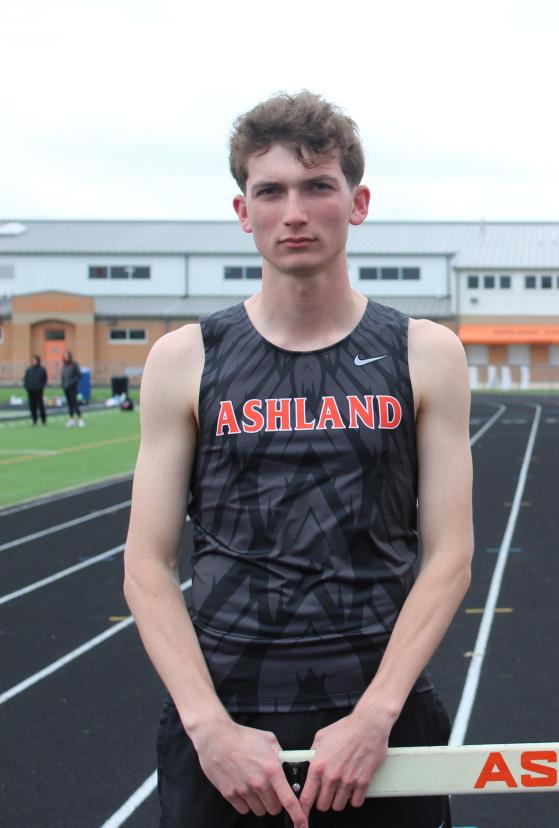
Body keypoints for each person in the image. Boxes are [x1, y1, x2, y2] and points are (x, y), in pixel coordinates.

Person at [123, 91, 474, 828]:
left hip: (380, 728)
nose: (295, 212)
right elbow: (147, 565)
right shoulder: (186, 359)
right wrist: (208, 728)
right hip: (224, 729)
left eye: (318, 186)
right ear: (242, 211)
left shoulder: (425, 354)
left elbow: (450, 555)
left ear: (358, 201)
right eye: (271, 191)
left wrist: (374, 718)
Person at [61, 350, 84, 427]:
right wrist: (63, 384)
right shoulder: (64, 365)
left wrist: (72, 382)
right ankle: (71, 419)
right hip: (66, 388)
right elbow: (63, 376)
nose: (66, 358)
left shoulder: (74, 365)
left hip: (73, 388)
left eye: (67, 356)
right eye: (65, 357)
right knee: (69, 404)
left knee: (75, 404)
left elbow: (79, 375)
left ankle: (80, 419)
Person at [24, 355, 48, 426]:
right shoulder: (29, 370)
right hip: (30, 391)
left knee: (40, 406)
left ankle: (43, 419)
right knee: (32, 406)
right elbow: (26, 379)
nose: (34, 362)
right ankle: (34, 420)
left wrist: (41, 386)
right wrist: (27, 386)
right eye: (33, 360)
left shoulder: (42, 370)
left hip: (38, 391)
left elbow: (45, 380)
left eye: (35, 360)